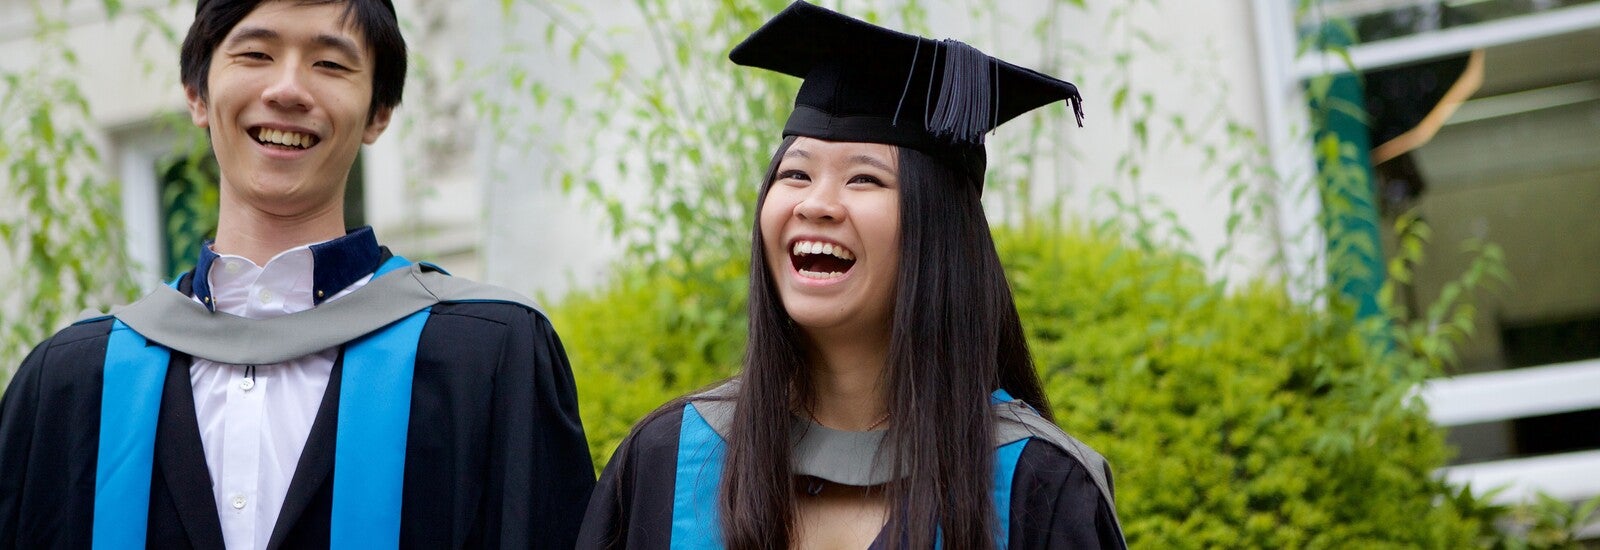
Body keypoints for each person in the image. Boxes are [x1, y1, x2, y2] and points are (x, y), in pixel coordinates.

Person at [0, 0, 594, 547]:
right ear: (197, 93)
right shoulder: (72, 383)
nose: (288, 89)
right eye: (255, 54)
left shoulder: (489, 356)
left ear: (379, 113)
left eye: (330, 64)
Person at [577, 2, 1125, 549]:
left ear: (939, 233)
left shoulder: (1035, 487)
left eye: (864, 179)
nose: (816, 204)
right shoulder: (668, 460)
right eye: (795, 173)